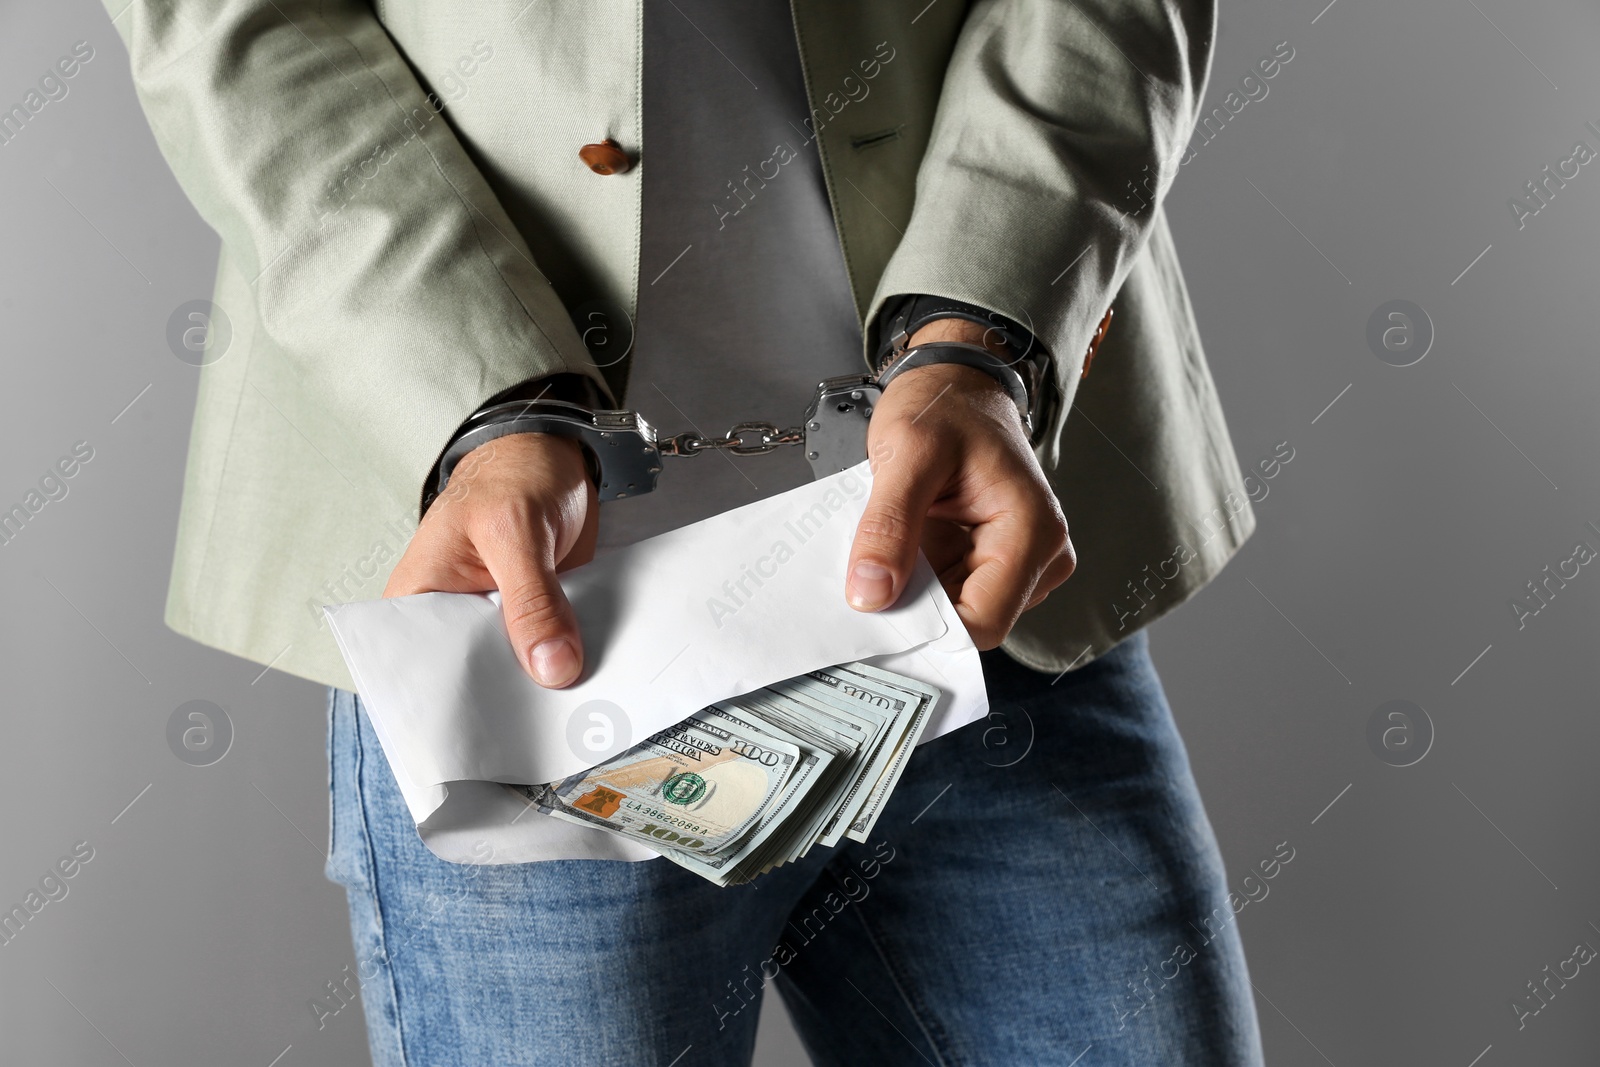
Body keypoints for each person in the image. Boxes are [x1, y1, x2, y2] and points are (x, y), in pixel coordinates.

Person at [107, 0, 1266, 1061]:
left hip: (975, 561)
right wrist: (484, 401)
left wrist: (982, 332)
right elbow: (235, 28)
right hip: (523, 616)